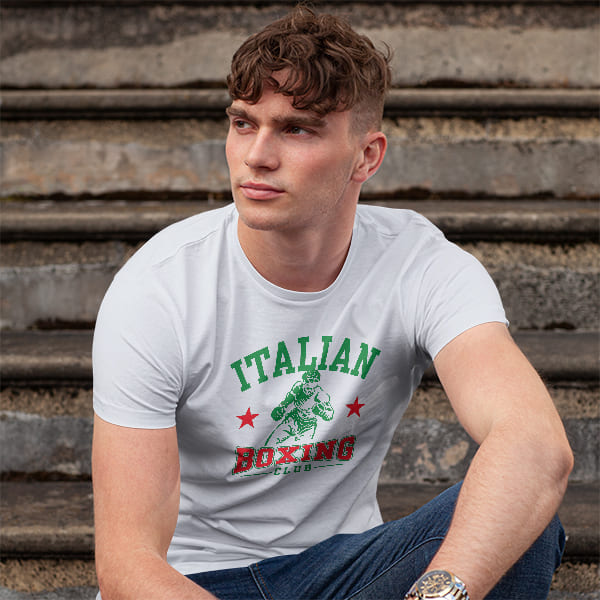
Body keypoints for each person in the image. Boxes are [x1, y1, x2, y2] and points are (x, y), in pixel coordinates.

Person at [91, 6, 573, 600]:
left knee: (518, 517)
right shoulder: (159, 288)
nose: (257, 156)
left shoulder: (420, 264)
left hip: (348, 573)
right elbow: (125, 563)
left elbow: (535, 444)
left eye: (297, 129)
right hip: (195, 581)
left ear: (366, 156)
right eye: (244, 124)